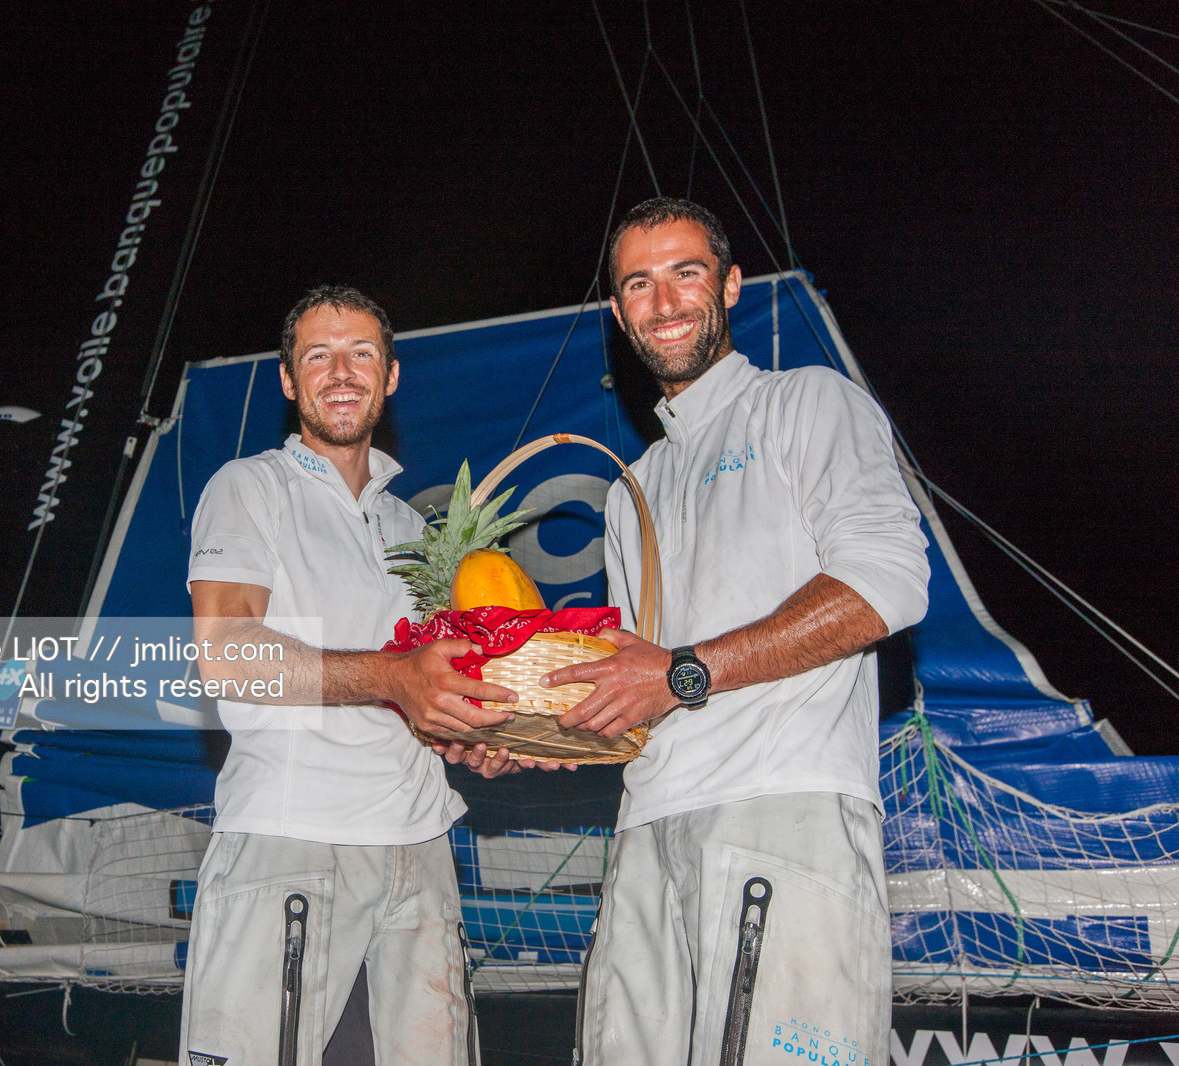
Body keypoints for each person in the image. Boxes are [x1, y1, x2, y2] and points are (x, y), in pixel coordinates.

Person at [544, 199, 931, 1066]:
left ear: (730, 284)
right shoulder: (628, 489)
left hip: (781, 808)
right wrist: (544, 726)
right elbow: (634, 677)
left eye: (687, 272)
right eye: (639, 284)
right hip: (646, 831)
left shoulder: (808, 403)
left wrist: (682, 674)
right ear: (619, 313)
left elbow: (888, 583)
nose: (666, 301)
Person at [178, 284, 522, 1066]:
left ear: (391, 375)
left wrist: (473, 735)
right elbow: (226, 650)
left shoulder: (415, 530)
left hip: (423, 852)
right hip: (292, 841)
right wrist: (395, 676)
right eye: (318, 356)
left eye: (362, 353)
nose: (341, 372)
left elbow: (424, 691)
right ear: (289, 381)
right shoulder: (250, 487)